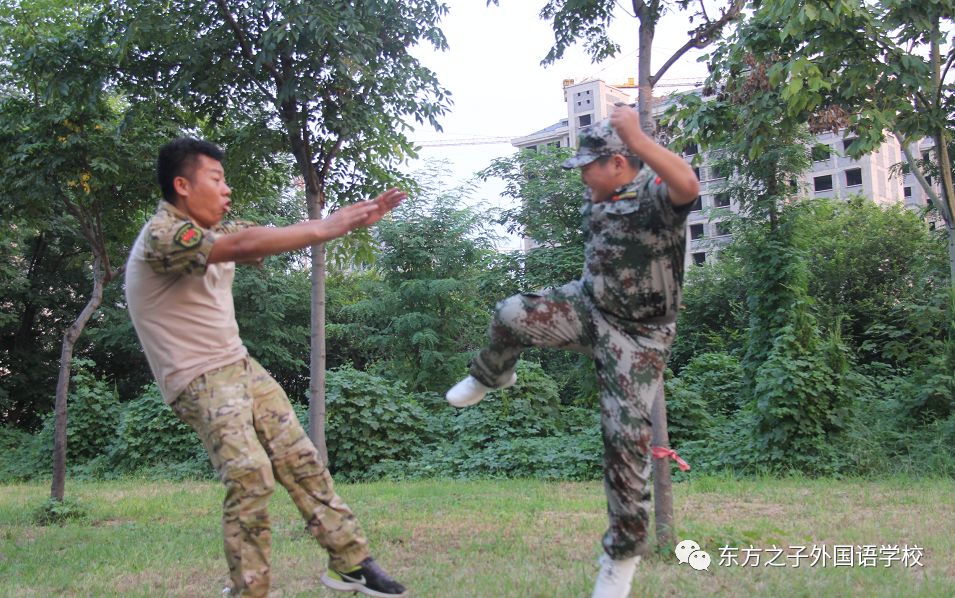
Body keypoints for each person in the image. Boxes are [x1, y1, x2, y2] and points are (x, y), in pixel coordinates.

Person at [125, 137, 409, 598]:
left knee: (302, 460)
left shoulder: (215, 232)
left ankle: (351, 564)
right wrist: (330, 227)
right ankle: (249, 591)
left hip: (239, 365)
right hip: (196, 378)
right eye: (215, 179)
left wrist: (343, 221)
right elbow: (247, 243)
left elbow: (257, 240)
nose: (226, 189)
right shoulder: (164, 235)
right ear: (182, 185)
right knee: (251, 475)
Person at [446, 105, 700, 598]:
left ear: (619, 163)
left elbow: (687, 184)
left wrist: (639, 138)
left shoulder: (653, 196)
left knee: (624, 441)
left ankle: (621, 559)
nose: (582, 175)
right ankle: (492, 375)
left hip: (639, 338)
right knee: (511, 313)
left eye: (589, 165)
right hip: (588, 307)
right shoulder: (599, 196)